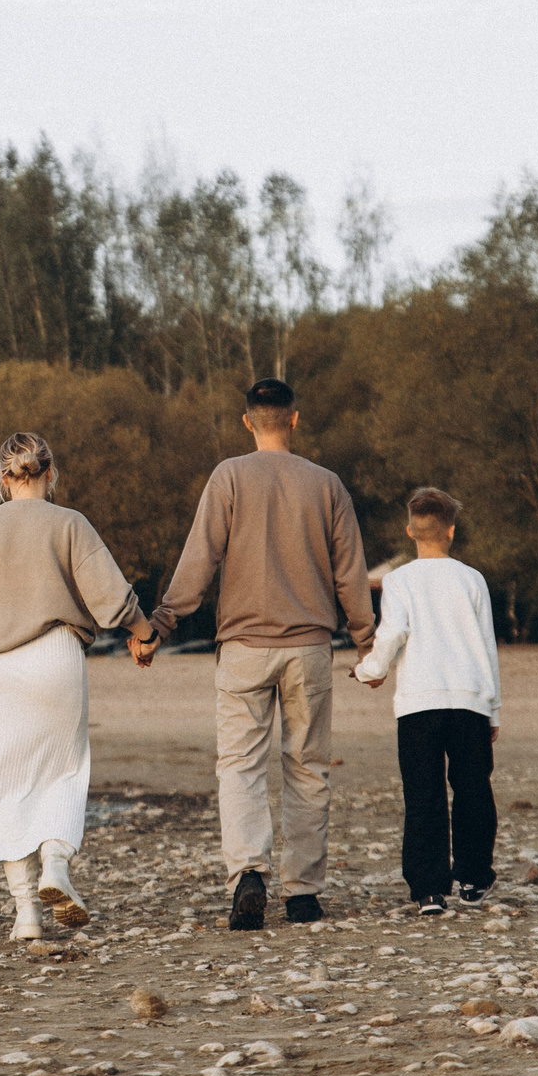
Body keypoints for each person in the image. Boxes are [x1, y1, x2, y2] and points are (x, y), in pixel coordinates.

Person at [152, 378, 373, 930]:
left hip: (244, 648)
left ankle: (248, 874)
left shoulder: (229, 476)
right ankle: (302, 893)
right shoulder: (327, 485)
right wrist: (367, 640)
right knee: (308, 769)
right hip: (310, 648)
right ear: (294, 420)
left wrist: (164, 619)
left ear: (247, 421)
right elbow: (350, 573)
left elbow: (200, 555)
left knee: (240, 768)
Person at [0, 432, 160, 940]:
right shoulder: (70, 523)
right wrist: (144, 634)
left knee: (3, 783)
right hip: (56, 656)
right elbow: (110, 594)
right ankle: (57, 864)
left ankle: (25, 913)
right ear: (50, 473)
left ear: (3, 479)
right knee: (64, 770)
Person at [352, 486, 503, 912]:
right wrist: (493, 709)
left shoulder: (399, 581)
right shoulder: (472, 579)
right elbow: (487, 647)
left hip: (418, 702)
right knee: (473, 790)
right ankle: (474, 878)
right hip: (470, 698)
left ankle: (428, 889)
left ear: (409, 531)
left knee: (423, 795)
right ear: (451, 531)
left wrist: (369, 670)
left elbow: (393, 633)